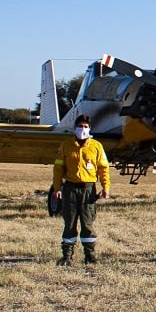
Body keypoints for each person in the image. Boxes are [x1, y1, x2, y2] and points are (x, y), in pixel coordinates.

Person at [52, 114, 110, 266]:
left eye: (85, 126)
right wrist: (57, 188)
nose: (82, 129)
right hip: (70, 188)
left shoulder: (96, 146)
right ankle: (67, 256)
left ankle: (90, 255)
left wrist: (106, 187)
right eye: (80, 126)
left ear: (89, 128)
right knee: (69, 223)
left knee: (87, 223)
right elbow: (58, 168)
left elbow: (103, 168)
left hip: (88, 190)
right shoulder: (65, 145)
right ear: (74, 128)